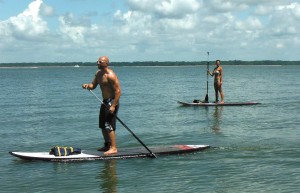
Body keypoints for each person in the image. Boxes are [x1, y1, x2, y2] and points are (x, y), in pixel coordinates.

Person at [82, 56, 121, 155]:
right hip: (104, 101)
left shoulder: (110, 75)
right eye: (97, 61)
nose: (98, 63)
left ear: (106, 63)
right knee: (102, 125)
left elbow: (118, 91)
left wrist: (113, 105)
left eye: (100, 61)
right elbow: (93, 86)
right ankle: (107, 145)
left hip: (112, 102)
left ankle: (114, 148)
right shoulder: (98, 74)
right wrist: (87, 85)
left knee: (109, 125)